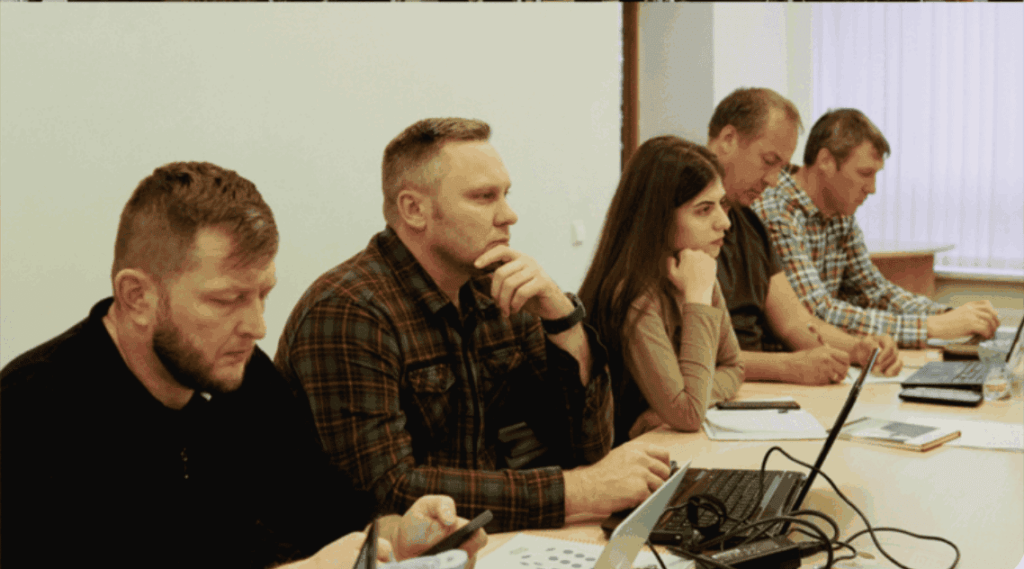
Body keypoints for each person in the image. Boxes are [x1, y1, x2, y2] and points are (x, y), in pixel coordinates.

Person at [0, 162, 485, 569]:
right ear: (138, 296)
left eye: (263, 295)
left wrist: (403, 537)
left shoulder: (243, 375)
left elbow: (331, 514)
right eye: (226, 299)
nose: (256, 326)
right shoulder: (31, 411)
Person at [275, 118, 672, 533]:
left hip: (483, 541)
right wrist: (579, 491)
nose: (509, 215)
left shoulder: (495, 289)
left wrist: (564, 322)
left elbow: (588, 448)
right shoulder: (349, 310)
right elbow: (386, 494)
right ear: (414, 210)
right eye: (484, 197)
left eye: (505, 195)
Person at [752, 108, 1000, 348]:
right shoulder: (777, 212)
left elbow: (874, 291)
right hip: (788, 360)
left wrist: (949, 315)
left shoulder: (839, 210)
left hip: (826, 356)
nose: (872, 189)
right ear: (826, 161)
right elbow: (817, 313)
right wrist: (930, 327)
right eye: (865, 173)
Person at [706, 88, 904, 383]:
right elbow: (691, 355)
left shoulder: (750, 224)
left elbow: (794, 321)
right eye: (768, 161)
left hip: (751, 388)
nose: (774, 180)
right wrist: (788, 366)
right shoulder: (679, 217)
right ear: (728, 139)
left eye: (781, 168)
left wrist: (856, 349)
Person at [579, 137, 743, 442]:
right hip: (625, 456)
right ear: (658, 217)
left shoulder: (697, 267)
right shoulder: (632, 294)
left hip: (665, 441)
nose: (724, 222)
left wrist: (667, 411)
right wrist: (697, 299)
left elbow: (734, 367)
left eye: (722, 205)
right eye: (704, 210)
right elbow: (689, 414)